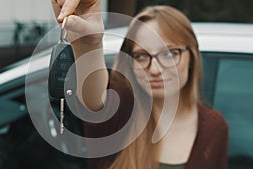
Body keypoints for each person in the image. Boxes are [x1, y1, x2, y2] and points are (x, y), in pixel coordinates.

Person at [51, 0, 228, 169]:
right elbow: (93, 99)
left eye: (169, 53)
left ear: (192, 57)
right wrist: (88, 44)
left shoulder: (214, 127)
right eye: (142, 56)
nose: (155, 69)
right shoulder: (121, 109)